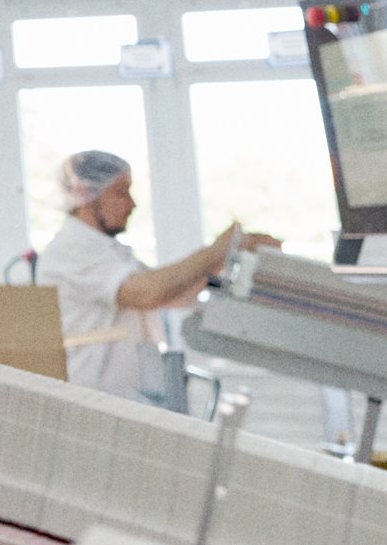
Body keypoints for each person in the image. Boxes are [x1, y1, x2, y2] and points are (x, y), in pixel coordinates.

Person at [34, 148, 249, 395]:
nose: (132, 204)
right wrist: (215, 251)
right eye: (121, 192)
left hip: (127, 396)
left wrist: (225, 256)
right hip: (94, 395)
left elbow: (172, 293)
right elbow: (148, 293)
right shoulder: (71, 250)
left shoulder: (110, 251)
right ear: (85, 194)